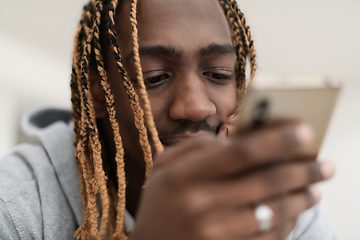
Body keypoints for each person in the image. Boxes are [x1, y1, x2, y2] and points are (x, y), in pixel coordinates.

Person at [0, 0, 337, 239]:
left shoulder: (275, 199)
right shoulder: (15, 207)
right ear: (100, 92)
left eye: (218, 74)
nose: (195, 107)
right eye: (156, 77)